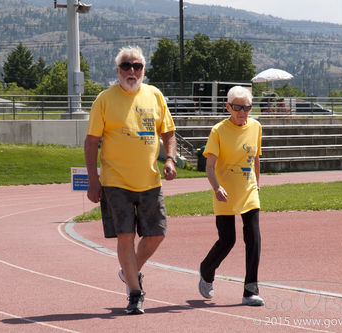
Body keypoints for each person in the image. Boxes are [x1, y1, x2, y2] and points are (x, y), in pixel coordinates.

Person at [84, 46, 177, 315]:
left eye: (137, 66)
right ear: (118, 70)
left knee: (157, 233)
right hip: (116, 181)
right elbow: (91, 143)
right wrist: (94, 180)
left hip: (150, 180)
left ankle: (129, 271)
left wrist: (169, 159)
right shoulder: (104, 99)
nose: (132, 71)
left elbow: (168, 132)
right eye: (126, 66)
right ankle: (135, 294)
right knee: (125, 235)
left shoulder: (155, 96)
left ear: (144, 69)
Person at [198, 86, 265, 306]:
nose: (243, 112)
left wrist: (257, 184)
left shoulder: (256, 127)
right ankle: (207, 270)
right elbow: (209, 167)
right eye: (238, 108)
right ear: (228, 107)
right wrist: (217, 187)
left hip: (248, 191)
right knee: (228, 240)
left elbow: (255, 158)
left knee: (253, 238)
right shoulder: (218, 131)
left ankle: (250, 290)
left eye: (247, 108)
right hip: (224, 193)